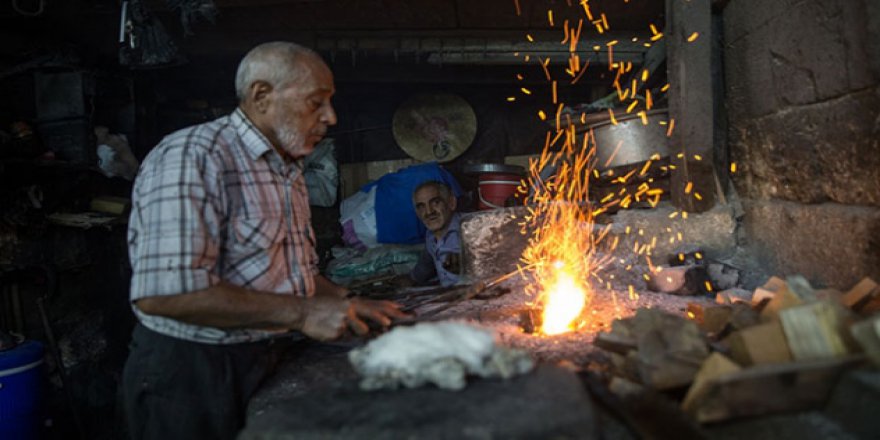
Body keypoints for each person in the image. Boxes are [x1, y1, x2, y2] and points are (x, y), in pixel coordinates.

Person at [123, 41, 407, 440]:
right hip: (191, 372)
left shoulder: (285, 167)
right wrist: (305, 314)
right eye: (316, 102)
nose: (330, 116)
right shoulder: (194, 156)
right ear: (261, 95)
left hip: (264, 356)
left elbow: (285, 273)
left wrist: (342, 301)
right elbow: (164, 294)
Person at [410, 180, 462, 287]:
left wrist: (467, 264)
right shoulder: (430, 237)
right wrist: (410, 279)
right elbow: (424, 266)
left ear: (452, 203)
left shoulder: (470, 228)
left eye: (436, 202)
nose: (429, 212)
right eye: (421, 207)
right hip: (451, 297)